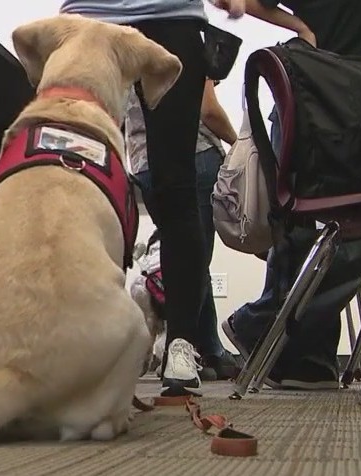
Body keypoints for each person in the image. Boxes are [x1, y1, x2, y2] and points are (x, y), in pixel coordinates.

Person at [60, 0, 246, 396]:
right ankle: (75, 344)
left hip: (171, 18)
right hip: (91, 18)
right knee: (76, 181)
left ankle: (181, 345)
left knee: (175, 185)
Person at [215, 0, 361, 389]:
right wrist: (301, 26)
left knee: (350, 233)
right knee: (342, 232)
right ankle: (272, 333)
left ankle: (296, 351)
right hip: (323, 96)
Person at [128, 79, 241, 381]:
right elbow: (208, 110)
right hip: (194, 155)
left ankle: (210, 351)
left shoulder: (126, 42)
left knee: (188, 257)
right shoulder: (185, 39)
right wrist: (239, 144)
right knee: (193, 257)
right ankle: (187, 350)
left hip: (144, 162)